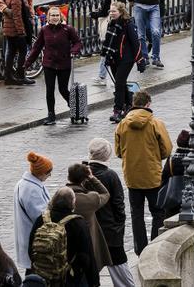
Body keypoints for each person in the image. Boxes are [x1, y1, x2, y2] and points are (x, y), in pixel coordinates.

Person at [113, 91, 171, 255]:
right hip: (153, 175)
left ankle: (140, 248)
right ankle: (154, 246)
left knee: (136, 213)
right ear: (148, 104)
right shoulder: (155, 123)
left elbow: (118, 151)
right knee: (158, 212)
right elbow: (166, 150)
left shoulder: (122, 124)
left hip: (132, 176)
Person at [83, 139, 132, 287]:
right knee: (120, 268)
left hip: (88, 229)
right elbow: (118, 205)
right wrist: (119, 224)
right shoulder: (110, 175)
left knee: (89, 269)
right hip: (110, 229)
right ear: (107, 155)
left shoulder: (81, 173)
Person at [25, 6, 82, 126]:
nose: (55, 18)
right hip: (49, 64)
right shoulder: (44, 30)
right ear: (48, 17)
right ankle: (51, 114)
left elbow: (77, 42)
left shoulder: (68, 29)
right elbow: (37, 48)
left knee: (63, 89)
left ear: (60, 16)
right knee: (49, 90)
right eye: (52, 15)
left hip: (64, 63)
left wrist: (74, 51)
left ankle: (73, 105)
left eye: (57, 15)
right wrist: (27, 63)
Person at [27, 187, 94, 287]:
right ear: (72, 203)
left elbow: (31, 247)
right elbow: (86, 255)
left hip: (44, 275)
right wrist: (93, 280)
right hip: (69, 277)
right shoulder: (78, 223)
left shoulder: (41, 219)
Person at [63, 164, 109, 287]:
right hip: (88, 246)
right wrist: (92, 178)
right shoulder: (91, 199)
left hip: (66, 247)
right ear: (84, 178)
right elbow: (105, 194)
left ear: (68, 177)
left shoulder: (61, 197)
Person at [100, 3, 140, 123]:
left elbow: (135, 42)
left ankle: (117, 110)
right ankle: (129, 104)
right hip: (113, 58)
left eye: (114, 11)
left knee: (119, 84)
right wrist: (107, 56)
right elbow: (109, 42)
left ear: (121, 12)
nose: (111, 13)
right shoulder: (111, 23)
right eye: (110, 11)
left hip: (126, 59)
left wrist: (140, 60)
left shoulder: (128, 24)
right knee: (120, 83)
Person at [13, 153, 51, 272]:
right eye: (48, 172)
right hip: (35, 241)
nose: (50, 175)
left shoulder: (25, 184)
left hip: (29, 238)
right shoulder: (31, 189)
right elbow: (41, 217)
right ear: (40, 173)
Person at [87, 0, 126, 87]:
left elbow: (104, 12)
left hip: (111, 25)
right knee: (116, 51)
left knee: (106, 50)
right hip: (121, 24)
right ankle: (117, 78)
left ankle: (102, 76)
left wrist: (94, 14)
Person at [0, 0, 31, 87]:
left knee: (11, 53)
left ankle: (8, 77)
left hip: (9, 30)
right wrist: (21, 32)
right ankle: (20, 75)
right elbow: (17, 17)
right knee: (23, 51)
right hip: (15, 30)